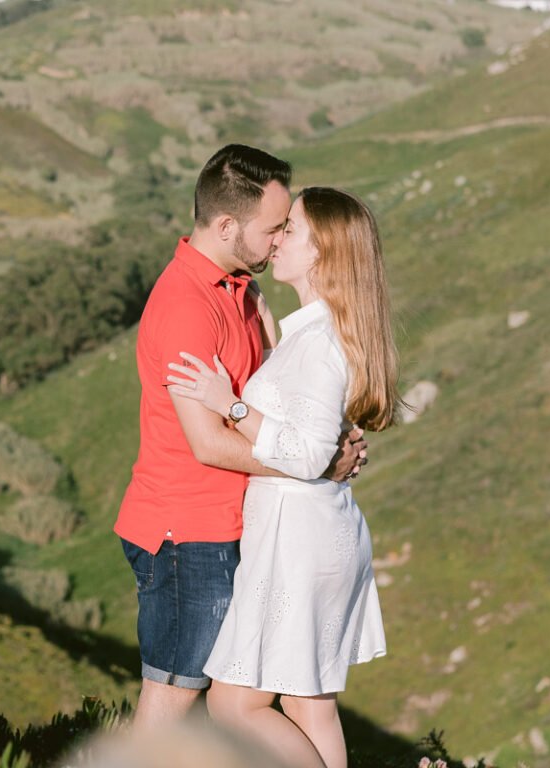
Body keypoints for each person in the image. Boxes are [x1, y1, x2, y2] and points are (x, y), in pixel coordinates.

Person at [114, 145, 367, 728]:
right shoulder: (187, 305)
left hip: (232, 527)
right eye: (273, 228)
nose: (278, 241)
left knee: (231, 703)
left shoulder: (239, 292)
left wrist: (328, 434)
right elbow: (207, 443)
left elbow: (279, 401)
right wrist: (317, 462)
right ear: (227, 226)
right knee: (173, 702)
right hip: (187, 533)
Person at [166, 187, 398, 768]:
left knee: (233, 706)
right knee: (307, 704)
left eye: (290, 229)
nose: (276, 240)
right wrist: (271, 332)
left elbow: (306, 452)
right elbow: (306, 417)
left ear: (322, 253)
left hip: (295, 541)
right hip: (313, 531)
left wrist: (231, 404)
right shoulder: (315, 333)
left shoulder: (319, 344)